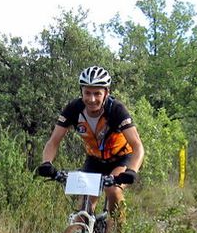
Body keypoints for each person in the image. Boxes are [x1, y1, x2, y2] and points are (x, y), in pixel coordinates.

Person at [34, 65, 144, 221]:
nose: (92, 99)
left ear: (106, 93)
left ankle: (119, 232)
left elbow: (137, 146)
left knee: (112, 190)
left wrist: (132, 170)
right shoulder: (74, 109)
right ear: (82, 92)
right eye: (87, 93)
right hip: (94, 160)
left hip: (120, 158)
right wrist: (47, 163)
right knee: (83, 208)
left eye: (97, 93)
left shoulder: (116, 110)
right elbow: (53, 141)